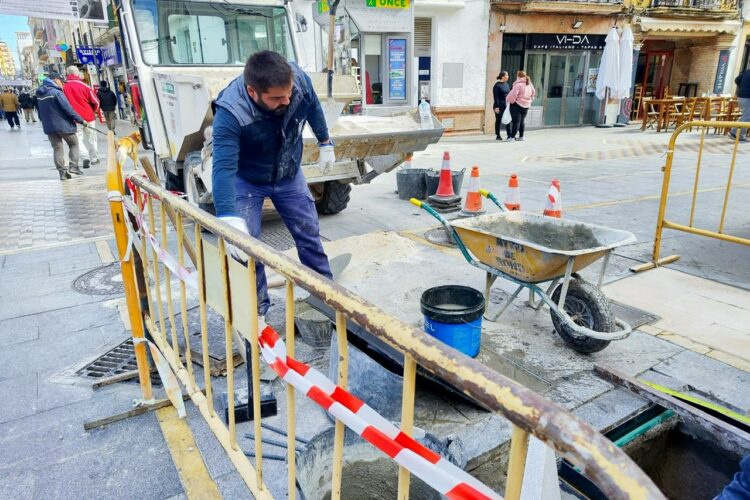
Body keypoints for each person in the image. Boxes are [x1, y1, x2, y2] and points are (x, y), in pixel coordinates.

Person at [212, 50, 335, 330]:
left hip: (288, 172)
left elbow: (313, 106)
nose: (287, 101)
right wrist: (228, 217)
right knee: (247, 247)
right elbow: (223, 169)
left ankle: (327, 299)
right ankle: (256, 312)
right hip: (248, 178)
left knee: (309, 234)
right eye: (277, 98)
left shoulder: (298, 82)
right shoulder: (231, 112)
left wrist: (326, 142)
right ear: (253, 92)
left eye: (288, 93)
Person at [36, 72, 86, 181]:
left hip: (49, 127)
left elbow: (40, 113)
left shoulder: (40, 94)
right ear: (55, 80)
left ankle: (62, 173)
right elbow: (67, 108)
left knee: (57, 149)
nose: (62, 83)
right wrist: (81, 120)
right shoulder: (56, 92)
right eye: (61, 81)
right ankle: (74, 167)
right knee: (74, 144)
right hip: (63, 125)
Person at [63, 66, 100, 167]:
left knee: (78, 140)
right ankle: (94, 158)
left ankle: (85, 157)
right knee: (92, 139)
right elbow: (96, 102)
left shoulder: (64, 87)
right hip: (89, 117)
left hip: (74, 119)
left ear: (68, 74)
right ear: (77, 73)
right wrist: (94, 112)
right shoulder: (85, 86)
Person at [505, 70, 536, 142]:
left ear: (518, 76)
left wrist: (510, 101)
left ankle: (512, 137)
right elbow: (533, 93)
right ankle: (521, 137)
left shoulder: (518, 85)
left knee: (516, 122)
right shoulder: (529, 83)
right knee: (522, 121)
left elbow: (513, 95)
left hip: (517, 105)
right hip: (526, 105)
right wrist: (530, 100)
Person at [730, 68, 749, 143]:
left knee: (746, 116)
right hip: (747, 98)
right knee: (747, 117)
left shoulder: (746, 72)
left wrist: (742, 87)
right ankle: (735, 132)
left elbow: (737, 80)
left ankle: (738, 134)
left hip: (741, 96)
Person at [493, 71, 511, 141]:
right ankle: (498, 135)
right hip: (499, 105)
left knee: (508, 119)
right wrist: (496, 107)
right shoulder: (497, 86)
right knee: (498, 120)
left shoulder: (506, 84)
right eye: (507, 75)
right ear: (503, 76)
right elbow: (496, 97)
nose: (508, 77)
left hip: (506, 105)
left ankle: (509, 135)